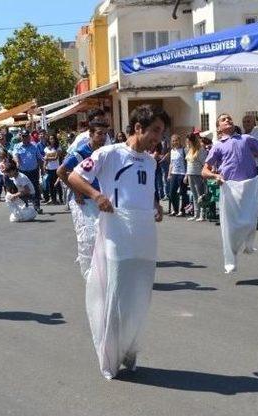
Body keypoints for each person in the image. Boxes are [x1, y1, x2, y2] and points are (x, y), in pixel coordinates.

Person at [68, 105, 168, 379]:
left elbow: (143, 189)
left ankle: (129, 348)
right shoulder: (109, 154)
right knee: (116, 293)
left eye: (161, 132)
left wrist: (155, 204)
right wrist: (96, 195)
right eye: (155, 131)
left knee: (139, 294)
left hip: (143, 234)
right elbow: (74, 176)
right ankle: (110, 355)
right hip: (116, 234)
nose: (158, 137)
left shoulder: (150, 161)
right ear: (138, 128)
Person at [202, 113, 258, 273]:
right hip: (229, 188)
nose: (228, 120)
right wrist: (215, 175)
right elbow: (204, 170)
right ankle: (231, 259)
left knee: (249, 220)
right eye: (223, 119)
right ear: (219, 127)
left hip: (248, 186)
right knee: (230, 226)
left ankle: (249, 244)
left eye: (229, 118)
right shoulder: (218, 146)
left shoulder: (246, 139)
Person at [57, 119, 108, 279]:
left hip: (97, 197)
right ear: (91, 134)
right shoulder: (80, 153)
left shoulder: (105, 152)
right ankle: (88, 274)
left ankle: (101, 269)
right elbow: (61, 171)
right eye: (99, 133)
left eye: (106, 134)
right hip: (81, 200)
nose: (103, 137)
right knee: (88, 235)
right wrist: (76, 190)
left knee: (102, 233)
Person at [13, 129, 43, 214]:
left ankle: (36, 207)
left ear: (29, 137)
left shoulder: (35, 146)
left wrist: (42, 170)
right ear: (21, 137)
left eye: (26, 136)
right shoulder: (17, 146)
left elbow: (39, 158)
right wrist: (17, 162)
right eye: (23, 136)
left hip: (34, 170)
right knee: (23, 189)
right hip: (23, 172)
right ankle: (25, 206)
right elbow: (15, 155)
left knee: (35, 188)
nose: (25, 138)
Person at [185, 132, 208, 221]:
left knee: (200, 195)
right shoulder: (189, 149)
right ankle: (196, 214)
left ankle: (202, 215)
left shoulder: (200, 150)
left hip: (198, 174)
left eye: (188, 141)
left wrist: (204, 175)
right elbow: (188, 164)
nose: (187, 143)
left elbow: (204, 163)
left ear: (192, 141)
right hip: (190, 174)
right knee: (194, 195)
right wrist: (186, 176)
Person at [167, 134, 188, 216]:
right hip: (174, 173)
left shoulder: (184, 150)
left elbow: (187, 163)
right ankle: (175, 210)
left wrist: (186, 175)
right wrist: (169, 174)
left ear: (179, 141)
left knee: (183, 193)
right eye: (173, 140)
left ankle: (182, 210)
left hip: (182, 174)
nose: (175, 142)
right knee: (172, 193)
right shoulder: (172, 151)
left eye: (176, 140)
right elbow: (171, 164)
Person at [43, 134, 61, 204]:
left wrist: (47, 158)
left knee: (58, 184)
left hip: (56, 168)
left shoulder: (58, 148)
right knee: (51, 184)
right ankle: (53, 199)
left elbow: (56, 158)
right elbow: (45, 160)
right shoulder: (46, 148)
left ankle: (60, 198)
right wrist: (44, 166)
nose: (52, 140)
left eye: (53, 138)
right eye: (50, 139)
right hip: (49, 168)